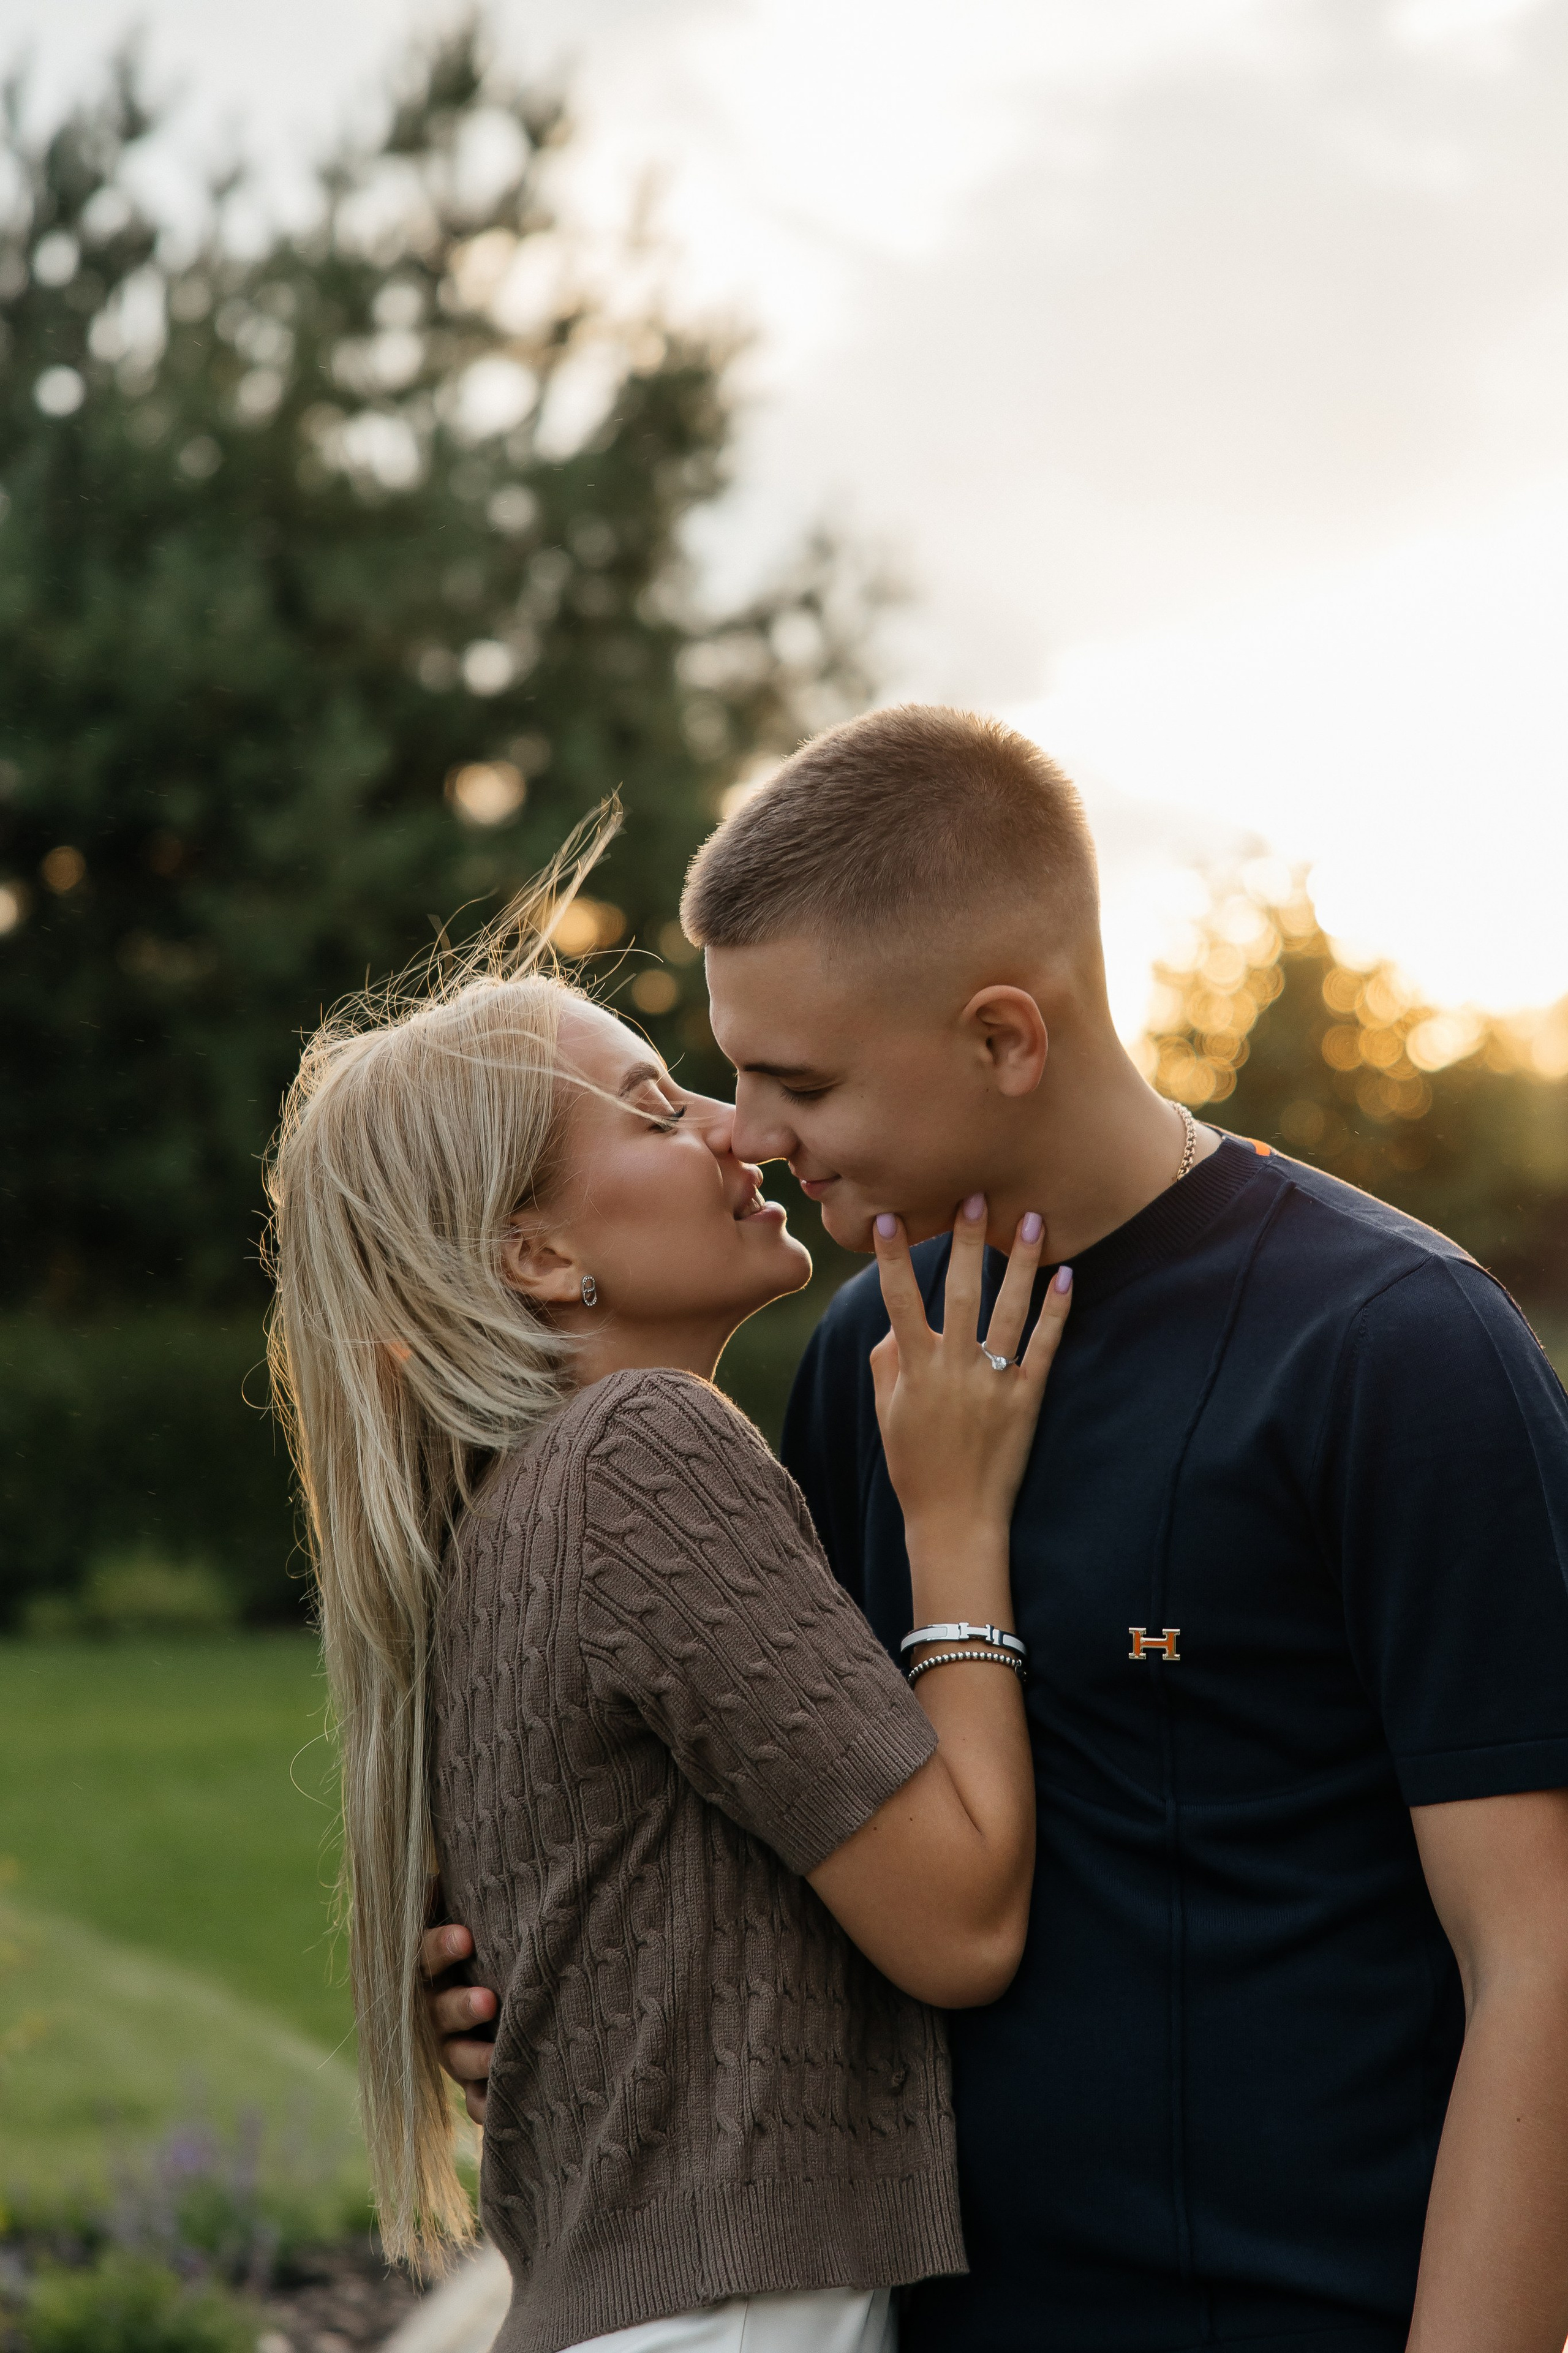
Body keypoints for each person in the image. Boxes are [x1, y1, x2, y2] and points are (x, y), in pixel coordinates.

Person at [430, 708, 1568, 2353]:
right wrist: (533, 1981)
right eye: (733, 1072)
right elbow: (806, 1832)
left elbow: (1537, 1947)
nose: (747, 1131)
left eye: (799, 1080)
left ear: (1004, 1038)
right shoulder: (867, 1362)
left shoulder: (1393, 1351)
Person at [265, 878, 1076, 2353]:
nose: (736, 1129)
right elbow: (960, 1923)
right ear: (534, 1255)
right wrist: (954, 1520)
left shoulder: (508, 1515)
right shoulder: (643, 1450)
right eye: (655, 1112)